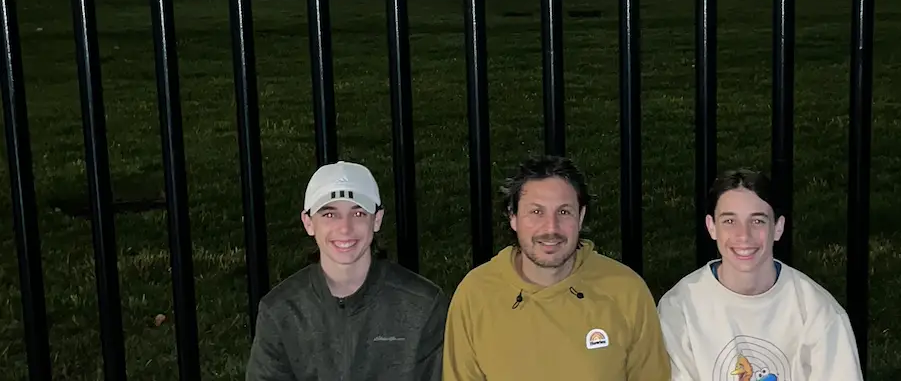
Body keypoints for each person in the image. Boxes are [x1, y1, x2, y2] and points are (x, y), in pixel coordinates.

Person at [442, 154, 671, 380]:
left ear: (580, 217)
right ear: (513, 217)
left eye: (564, 212)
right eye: (536, 212)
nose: (551, 228)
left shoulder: (626, 291)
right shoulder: (476, 294)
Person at [246, 160, 448, 380]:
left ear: (377, 219)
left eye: (358, 213)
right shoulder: (280, 311)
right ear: (308, 222)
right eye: (330, 215)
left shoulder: (423, 304)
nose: (345, 228)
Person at [657, 169, 863, 381]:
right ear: (711, 227)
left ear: (778, 228)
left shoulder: (818, 311)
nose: (744, 235)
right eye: (729, 221)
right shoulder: (680, 309)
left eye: (757, 221)